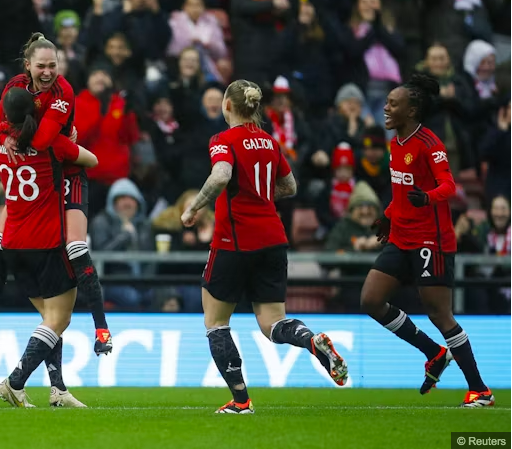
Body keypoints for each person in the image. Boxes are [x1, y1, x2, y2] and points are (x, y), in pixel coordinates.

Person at [180, 79, 348, 414]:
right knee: (273, 324)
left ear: (227, 106)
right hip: (273, 238)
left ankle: (241, 400)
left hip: (234, 241)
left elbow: (220, 176)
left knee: (216, 322)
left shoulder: (223, 139)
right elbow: (290, 186)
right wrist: (258, 194)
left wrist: (194, 208)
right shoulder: (270, 142)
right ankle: (311, 341)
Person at [0, 33, 112, 358]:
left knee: (75, 248)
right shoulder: (15, 85)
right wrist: (1, 132)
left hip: (65, 173)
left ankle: (102, 328)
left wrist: (6, 134)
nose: (48, 72)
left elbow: (39, 141)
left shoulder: (63, 92)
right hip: (40, 180)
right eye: (41, 66)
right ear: (27, 66)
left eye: (53, 65)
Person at [362, 73, 494, 407]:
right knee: (370, 300)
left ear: (412, 110)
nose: (386, 109)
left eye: (393, 104)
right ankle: (433, 352)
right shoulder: (395, 143)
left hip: (430, 241)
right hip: (401, 236)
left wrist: (429, 198)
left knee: (440, 314)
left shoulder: (430, 144)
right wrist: (388, 215)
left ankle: (480, 389)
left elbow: (449, 186)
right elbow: (402, 192)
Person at [0, 87, 97, 407]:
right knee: (58, 318)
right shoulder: (50, 142)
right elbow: (92, 160)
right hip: (43, 241)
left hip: (12, 241)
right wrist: (70, 140)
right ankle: (14, 381)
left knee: (49, 320)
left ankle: (58, 390)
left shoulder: (0, 144)